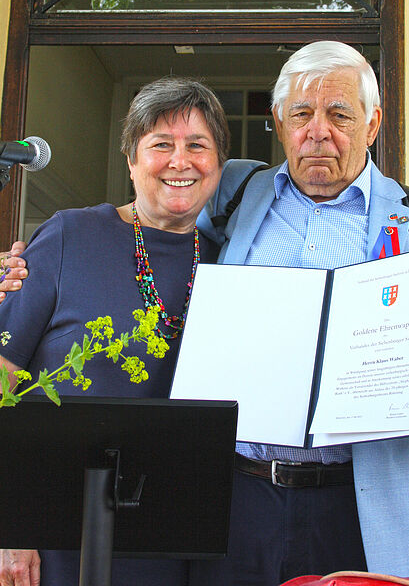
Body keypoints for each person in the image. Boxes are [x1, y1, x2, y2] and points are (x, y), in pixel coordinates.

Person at [0, 42, 409, 583]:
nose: (318, 132)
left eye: (339, 115)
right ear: (278, 122)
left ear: (373, 123)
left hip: (362, 510)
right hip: (236, 503)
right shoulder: (239, 194)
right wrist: (19, 269)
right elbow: (158, 209)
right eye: (301, 114)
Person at [0, 77, 230, 586]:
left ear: (218, 165)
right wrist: (9, 525)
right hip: (58, 529)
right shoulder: (70, 234)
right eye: (160, 145)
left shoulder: (228, 262)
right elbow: (2, 377)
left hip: (179, 536)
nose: (180, 161)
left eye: (198, 145)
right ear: (131, 160)